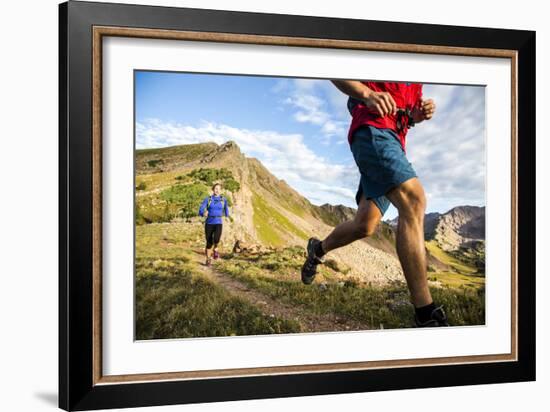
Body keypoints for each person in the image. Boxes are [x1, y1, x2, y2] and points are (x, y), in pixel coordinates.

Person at [300, 80, 449, 327]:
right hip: (373, 131)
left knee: (365, 225)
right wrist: (366, 94)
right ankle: (426, 315)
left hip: (394, 141)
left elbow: (405, 114)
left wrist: (417, 116)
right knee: (413, 201)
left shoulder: (419, 79)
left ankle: (318, 249)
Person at [198, 183, 230, 266]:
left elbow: (226, 208)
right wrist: (203, 212)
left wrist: (227, 216)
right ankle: (208, 259)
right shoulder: (208, 199)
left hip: (218, 222)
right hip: (209, 222)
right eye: (216, 188)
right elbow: (201, 208)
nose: (217, 190)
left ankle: (215, 249)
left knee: (216, 239)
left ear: (221, 190)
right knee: (209, 242)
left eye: (219, 189)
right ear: (213, 189)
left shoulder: (223, 200)